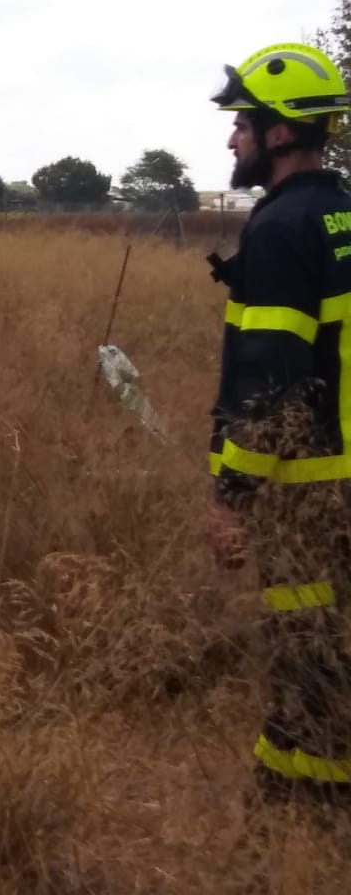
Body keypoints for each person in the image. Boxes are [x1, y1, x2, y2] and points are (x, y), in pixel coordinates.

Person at [206, 42, 351, 808]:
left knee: (309, 653)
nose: (233, 139)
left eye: (243, 124)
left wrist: (231, 499)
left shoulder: (281, 230)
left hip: (310, 491)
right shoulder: (341, 217)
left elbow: (268, 387)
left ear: (282, 131)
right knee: (332, 643)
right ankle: (285, 799)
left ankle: (310, 813)